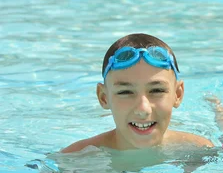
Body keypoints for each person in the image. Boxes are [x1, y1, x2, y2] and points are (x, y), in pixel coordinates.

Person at [61, 33, 213, 153]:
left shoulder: (199, 150)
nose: (143, 109)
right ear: (104, 97)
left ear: (178, 94)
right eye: (125, 92)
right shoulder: (76, 157)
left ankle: (215, 105)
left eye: (157, 90)